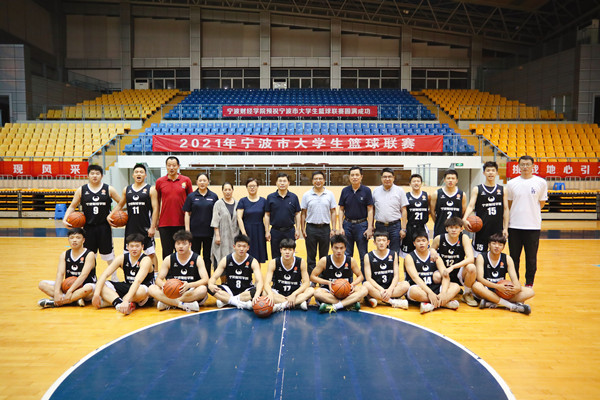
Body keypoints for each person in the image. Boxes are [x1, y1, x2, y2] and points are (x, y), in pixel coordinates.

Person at [63, 165, 120, 269]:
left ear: (102, 176)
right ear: (88, 175)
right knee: (89, 255)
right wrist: (65, 218)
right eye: (92, 173)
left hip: (104, 227)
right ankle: (90, 275)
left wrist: (112, 214)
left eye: (97, 174)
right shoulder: (81, 190)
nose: (95, 176)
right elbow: (72, 206)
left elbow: (121, 203)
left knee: (109, 255)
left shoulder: (109, 189)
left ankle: (114, 276)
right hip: (88, 228)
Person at [107, 163, 159, 274]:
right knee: (128, 253)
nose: (139, 174)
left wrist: (152, 227)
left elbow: (155, 209)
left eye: (141, 172)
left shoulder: (151, 189)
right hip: (130, 227)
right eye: (136, 172)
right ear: (133, 175)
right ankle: (130, 274)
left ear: (145, 175)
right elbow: (120, 205)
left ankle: (155, 274)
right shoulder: (127, 189)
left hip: (145, 226)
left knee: (150, 253)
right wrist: (110, 215)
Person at [506, 155, 548, 287]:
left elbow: (541, 203)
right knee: (514, 257)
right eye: (522, 164)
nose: (525, 167)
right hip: (514, 226)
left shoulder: (541, 182)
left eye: (528, 164)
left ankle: (529, 283)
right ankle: (515, 282)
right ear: (518, 166)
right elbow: (509, 203)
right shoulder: (511, 183)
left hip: (532, 226)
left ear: (533, 166)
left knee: (531, 258)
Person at [91, 233, 154, 315]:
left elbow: (137, 281)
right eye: (131, 246)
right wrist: (96, 294)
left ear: (142, 246)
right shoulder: (122, 258)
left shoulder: (146, 260)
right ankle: (119, 303)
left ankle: (116, 301)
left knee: (141, 291)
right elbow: (104, 274)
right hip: (128, 286)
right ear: (127, 247)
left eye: (137, 246)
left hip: (142, 288)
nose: (134, 249)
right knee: (102, 284)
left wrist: (126, 300)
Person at [148, 230, 209, 312]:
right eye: (178, 243)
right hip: (172, 291)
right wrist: (164, 286)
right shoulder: (169, 259)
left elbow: (205, 280)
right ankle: (183, 305)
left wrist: (189, 285)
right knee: (152, 288)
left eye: (184, 244)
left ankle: (168, 303)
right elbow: (158, 279)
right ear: (175, 245)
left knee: (203, 289)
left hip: (190, 291)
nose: (181, 246)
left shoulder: (197, 259)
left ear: (190, 245)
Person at [472, 233, 534, 314]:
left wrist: (516, 288)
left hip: (502, 290)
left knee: (530, 292)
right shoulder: (482, 257)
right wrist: (497, 286)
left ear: (503, 247)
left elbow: (515, 280)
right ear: (489, 245)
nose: (497, 246)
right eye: (494, 243)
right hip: (487, 288)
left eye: (500, 244)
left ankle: (492, 303)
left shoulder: (507, 258)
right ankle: (511, 305)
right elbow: (480, 279)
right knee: (476, 286)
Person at [404, 229, 461, 314]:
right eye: (418, 241)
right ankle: (444, 303)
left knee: (456, 287)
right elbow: (415, 278)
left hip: (434, 287)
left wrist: (443, 293)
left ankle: (430, 305)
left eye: (423, 240)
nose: (421, 243)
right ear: (414, 243)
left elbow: (445, 275)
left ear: (428, 242)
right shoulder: (409, 257)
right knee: (413, 291)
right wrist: (430, 293)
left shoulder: (435, 256)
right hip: (419, 288)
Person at [38, 228, 96, 308]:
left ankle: (56, 302)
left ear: (83, 240)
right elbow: (60, 274)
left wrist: (70, 290)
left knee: (88, 288)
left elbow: (83, 275)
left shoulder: (89, 254)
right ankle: (73, 301)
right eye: (71, 238)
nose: (74, 240)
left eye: (78, 238)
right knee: (42, 284)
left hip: (84, 286)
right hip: (68, 286)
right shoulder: (64, 254)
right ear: (68, 240)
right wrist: (57, 292)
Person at [310, 234, 368, 313]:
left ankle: (336, 306)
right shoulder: (325, 260)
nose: (339, 251)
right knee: (317, 293)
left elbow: (360, 276)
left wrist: (352, 285)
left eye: (341, 248)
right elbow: (312, 277)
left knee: (364, 290)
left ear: (345, 248)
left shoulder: (350, 260)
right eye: (336, 248)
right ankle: (348, 304)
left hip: (347, 291)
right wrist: (328, 282)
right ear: (331, 248)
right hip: (330, 292)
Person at [463, 161, 509, 256]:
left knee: (496, 254)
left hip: (497, 229)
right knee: (477, 255)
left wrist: (505, 228)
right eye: (488, 170)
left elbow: (505, 209)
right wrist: (464, 218)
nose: (490, 173)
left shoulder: (502, 189)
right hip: (481, 229)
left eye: (493, 170)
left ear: (496, 173)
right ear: (484, 173)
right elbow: (471, 206)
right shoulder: (477, 189)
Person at [209, 234, 264, 310]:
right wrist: (211, 285)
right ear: (234, 247)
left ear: (248, 248)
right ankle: (238, 302)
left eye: (244, 246)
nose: (241, 249)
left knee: (258, 291)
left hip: (245, 290)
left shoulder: (253, 261)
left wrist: (257, 295)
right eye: (239, 246)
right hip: (229, 290)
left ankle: (227, 300)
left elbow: (260, 281)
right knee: (208, 288)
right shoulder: (226, 259)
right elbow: (214, 277)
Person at [431, 217, 478, 307]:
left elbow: (470, 258)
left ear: (461, 229)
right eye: (451, 227)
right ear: (446, 229)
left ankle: (467, 294)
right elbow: (431, 249)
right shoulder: (439, 238)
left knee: (471, 267)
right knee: (436, 277)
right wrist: (432, 251)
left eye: (456, 228)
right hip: (444, 271)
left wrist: (453, 267)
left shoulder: (464, 238)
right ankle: (449, 290)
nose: (454, 230)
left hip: (458, 271)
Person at [338, 166, 374, 273]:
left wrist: (370, 227)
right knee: (347, 254)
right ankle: (348, 279)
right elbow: (341, 209)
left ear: (361, 177)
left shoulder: (366, 191)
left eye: (357, 175)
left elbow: (370, 210)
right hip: (347, 225)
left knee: (363, 255)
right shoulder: (345, 191)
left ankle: (364, 279)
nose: (354, 177)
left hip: (362, 225)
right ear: (349, 177)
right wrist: (340, 227)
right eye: (352, 175)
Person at [155, 156, 193, 259]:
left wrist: (189, 222)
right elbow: (157, 202)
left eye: (174, 165)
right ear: (166, 166)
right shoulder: (159, 181)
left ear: (178, 166)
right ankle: (167, 270)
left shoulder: (186, 180)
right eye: (169, 165)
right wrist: (157, 219)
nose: (171, 167)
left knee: (182, 251)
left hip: (181, 223)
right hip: (165, 223)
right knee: (167, 252)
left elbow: (191, 202)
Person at [301, 171, 337, 275]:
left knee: (324, 256)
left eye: (320, 179)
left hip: (325, 228)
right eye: (316, 179)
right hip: (311, 228)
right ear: (312, 181)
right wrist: (302, 229)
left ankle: (322, 278)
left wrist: (334, 228)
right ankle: (312, 277)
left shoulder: (329, 194)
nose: (318, 181)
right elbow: (303, 213)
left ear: (324, 180)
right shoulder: (306, 195)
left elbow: (333, 211)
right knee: (311, 255)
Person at [263, 238, 315, 312]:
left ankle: (282, 305)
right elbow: (267, 283)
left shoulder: (301, 262)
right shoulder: (273, 262)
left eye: (290, 250)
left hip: (296, 293)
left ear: (294, 251)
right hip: (278, 293)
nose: (287, 252)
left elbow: (306, 283)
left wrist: (294, 294)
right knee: (265, 293)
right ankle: (296, 304)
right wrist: (270, 293)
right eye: (284, 249)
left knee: (311, 290)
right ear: (281, 250)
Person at [363, 230, 409, 309]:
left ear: (388, 242)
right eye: (379, 240)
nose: (381, 243)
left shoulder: (393, 254)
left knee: (406, 284)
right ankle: (392, 301)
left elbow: (396, 276)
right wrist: (381, 290)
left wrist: (389, 290)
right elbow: (368, 278)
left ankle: (377, 298)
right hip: (377, 288)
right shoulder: (368, 256)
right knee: (366, 285)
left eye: (384, 240)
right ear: (374, 242)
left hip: (390, 288)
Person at [183, 173, 218, 275]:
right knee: (195, 256)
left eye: (204, 180)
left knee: (207, 257)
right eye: (200, 180)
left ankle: (207, 278)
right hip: (194, 233)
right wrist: (187, 230)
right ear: (196, 182)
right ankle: (195, 277)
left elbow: (217, 215)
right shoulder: (191, 196)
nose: (202, 183)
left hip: (209, 233)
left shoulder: (214, 196)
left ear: (208, 182)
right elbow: (187, 213)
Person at [372, 168, 408, 256]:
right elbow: (372, 209)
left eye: (389, 177)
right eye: (385, 177)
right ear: (381, 178)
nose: (387, 179)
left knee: (395, 252)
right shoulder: (375, 191)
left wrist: (403, 228)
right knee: (381, 251)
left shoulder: (400, 191)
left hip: (395, 226)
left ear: (393, 178)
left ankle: (395, 265)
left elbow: (404, 210)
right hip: (380, 226)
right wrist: (371, 226)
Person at [265, 173, 301, 259]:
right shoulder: (270, 197)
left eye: (284, 181)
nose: (282, 183)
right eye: (280, 181)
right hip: (275, 231)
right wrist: (267, 231)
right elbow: (267, 215)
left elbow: (297, 213)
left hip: (290, 231)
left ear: (288, 183)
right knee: (275, 256)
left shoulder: (294, 197)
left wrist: (297, 229)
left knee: (289, 256)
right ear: (276, 183)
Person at [236, 178, 268, 263]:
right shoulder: (242, 201)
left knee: (258, 257)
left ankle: (257, 271)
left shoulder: (263, 201)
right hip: (247, 230)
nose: (252, 188)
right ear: (246, 187)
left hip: (259, 231)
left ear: (257, 187)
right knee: (245, 255)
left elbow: (266, 217)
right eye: (250, 186)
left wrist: (267, 231)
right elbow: (239, 217)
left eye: (254, 186)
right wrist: (244, 233)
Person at [211, 182, 240, 274]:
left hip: (234, 236)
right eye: (225, 190)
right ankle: (223, 280)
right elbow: (215, 220)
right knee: (220, 260)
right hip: (221, 236)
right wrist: (217, 235)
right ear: (222, 191)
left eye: (229, 189)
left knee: (233, 260)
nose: (227, 192)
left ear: (232, 190)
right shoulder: (218, 204)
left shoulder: (238, 204)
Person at [430, 169, 466, 238]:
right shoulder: (437, 194)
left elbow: (463, 212)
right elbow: (432, 211)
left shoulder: (462, 194)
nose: (450, 180)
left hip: (456, 229)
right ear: (444, 180)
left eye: (453, 178)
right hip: (440, 227)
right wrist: (438, 222)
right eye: (448, 178)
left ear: (457, 180)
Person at [401, 174, 430, 256]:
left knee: (423, 250)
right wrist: (403, 229)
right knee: (407, 253)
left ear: (421, 183)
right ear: (410, 184)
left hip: (422, 227)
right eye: (414, 181)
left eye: (418, 181)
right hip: (410, 227)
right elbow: (404, 213)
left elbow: (430, 210)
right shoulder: (406, 196)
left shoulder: (427, 196)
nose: (416, 183)